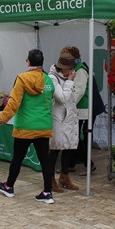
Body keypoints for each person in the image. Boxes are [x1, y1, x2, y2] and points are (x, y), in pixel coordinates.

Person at [0, 49, 56, 204]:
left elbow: (13, 103)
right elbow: (50, 99)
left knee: (18, 158)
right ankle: (47, 192)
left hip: (25, 127)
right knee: (45, 161)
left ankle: (9, 187)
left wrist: (1, 119)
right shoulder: (48, 80)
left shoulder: (21, 78)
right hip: (43, 125)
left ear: (28, 62)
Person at [61, 45, 97, 176]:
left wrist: (67, 103)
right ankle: (71, 163)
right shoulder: (76, 68)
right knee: (75, 136)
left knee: (80, 138)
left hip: (83, 109)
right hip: (78, 108)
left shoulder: (81, 70)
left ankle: (89, 164)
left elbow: (79, 91)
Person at [48, 52, 80, 192]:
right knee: (55, 148)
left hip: (69, 117)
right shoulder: (52, 78)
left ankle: (64, 176)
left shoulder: (67, 77)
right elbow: (61, 98)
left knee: (69, 147)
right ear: (63, 67)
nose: (72, 71)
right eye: (70, 68)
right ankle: (49, 179)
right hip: (58, 118)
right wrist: (70, 81)